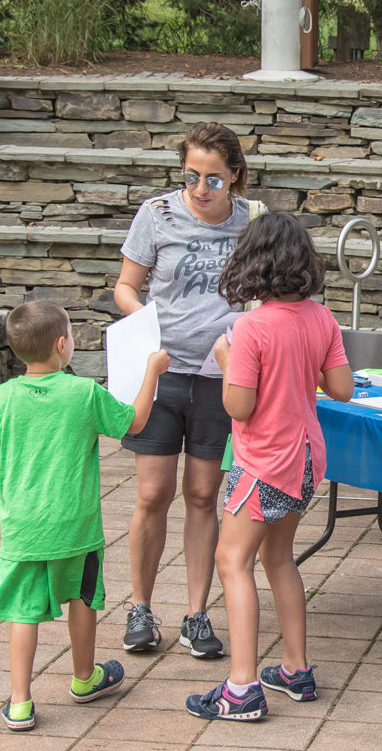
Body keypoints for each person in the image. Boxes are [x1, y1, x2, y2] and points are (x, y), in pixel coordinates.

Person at [0, 300, 169, 731]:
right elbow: (132, 423)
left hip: (23, 528)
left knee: (24, 612)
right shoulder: (83, 394)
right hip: (76, 526)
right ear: (62, 345)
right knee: (82, 598)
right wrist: (153, 370)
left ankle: (20, 703)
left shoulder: (1, 398)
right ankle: (84, 678)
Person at [185, 212, 354, 721]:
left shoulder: (250, 328)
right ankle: (295, 670)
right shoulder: (322, 318)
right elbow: (341, 388)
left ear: (252, 263)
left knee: (230, 561)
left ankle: (242, 688)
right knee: (278, 559)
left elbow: (238, 407)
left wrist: (225, 357)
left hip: (264, 463)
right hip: (306, 462)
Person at [114, 122, 254, 658]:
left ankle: (197, 615)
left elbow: (266, 291)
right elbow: (126, 285)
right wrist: (148, 321)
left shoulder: (252, 221)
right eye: (192, 176)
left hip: (222, 377)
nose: (200, 189)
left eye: (214, 180)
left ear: (235, 178)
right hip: (162, 373)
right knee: (152, 494)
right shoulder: (156, 215)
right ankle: (141, 609)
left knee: (202, 495)